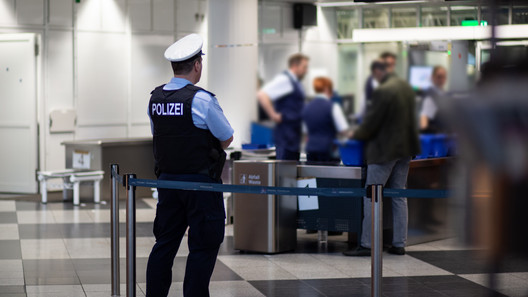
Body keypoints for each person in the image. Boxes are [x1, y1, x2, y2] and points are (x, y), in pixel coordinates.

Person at [146, 33, 234, 297]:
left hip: (168, 184)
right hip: (201, 185)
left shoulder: (155, 99)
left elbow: (158, 136)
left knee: (164, 244)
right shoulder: (201, 100)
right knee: (203, 246)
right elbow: (226, 138)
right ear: (197, 65)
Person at [343, 60, 420, 257]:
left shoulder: (382, 91)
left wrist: (354, 134)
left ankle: (367, 244)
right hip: (406, 149)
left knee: (372, 196)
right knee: (398, 195)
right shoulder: (406, 87)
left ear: (378, 72)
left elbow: (371, 123)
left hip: (385, 151)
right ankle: (399, 243)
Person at [257, 53, 309, 160]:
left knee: (292, 170)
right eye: (304, 67)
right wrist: (273, 115)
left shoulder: (295, 82)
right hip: (286, 136)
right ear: (295, 66)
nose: (306, 70)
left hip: (293, 136)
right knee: (285, 171)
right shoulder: (285, 80)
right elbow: (262, 94)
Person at [302, 77, 350, 162]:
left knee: (313, 175)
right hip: (328, 151)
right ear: (327, 89)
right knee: (327, 175)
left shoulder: (306, 107)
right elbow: (343, 130)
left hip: (311, 150)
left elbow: (305, 131)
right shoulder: (333, 107)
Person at [359, 52, 398, 120]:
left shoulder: (395, 82)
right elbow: (363, 103)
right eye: (389, 65)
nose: (391, 68)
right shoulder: (371, 81)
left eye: (393, 65)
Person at [420, 65, 448, 133]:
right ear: (433, 77)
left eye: (443, 77)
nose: (441, 79)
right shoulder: (430, 95)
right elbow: (424, 116)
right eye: (439, 77)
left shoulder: (444, 93)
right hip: (435, 135)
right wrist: (425, 136)